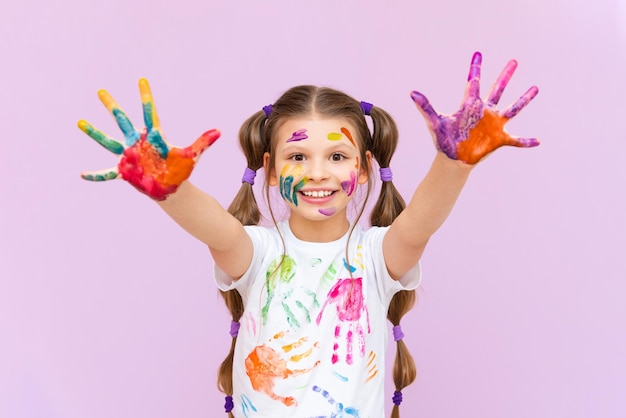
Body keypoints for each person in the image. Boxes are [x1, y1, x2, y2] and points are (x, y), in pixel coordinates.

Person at [77, 51, 539, 418]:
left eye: (337, 156)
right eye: (298, 157)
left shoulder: (376, 255)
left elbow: (421, 221)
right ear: (272, 171)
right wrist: (171, 191)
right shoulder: (256, 253)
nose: (319, 172)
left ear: (362, 168)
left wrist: (453, 163)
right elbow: (214, 227)